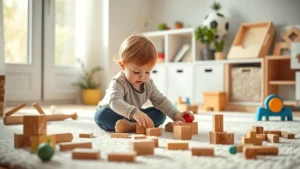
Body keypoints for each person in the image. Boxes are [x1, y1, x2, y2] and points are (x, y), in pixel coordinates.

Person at [94, 35, 195, 133]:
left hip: (134, 116)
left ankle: (132, 127)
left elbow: (160, 100)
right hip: (112, 111)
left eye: (147, 72)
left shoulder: (148, 83)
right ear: (122, 65)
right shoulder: (118, 81)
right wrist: (135, 113)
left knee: (160, 113)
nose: (143, 77)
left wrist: (176, 114)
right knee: (101, 115)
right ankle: (135, 125)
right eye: (137, 72)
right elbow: (115, 102)